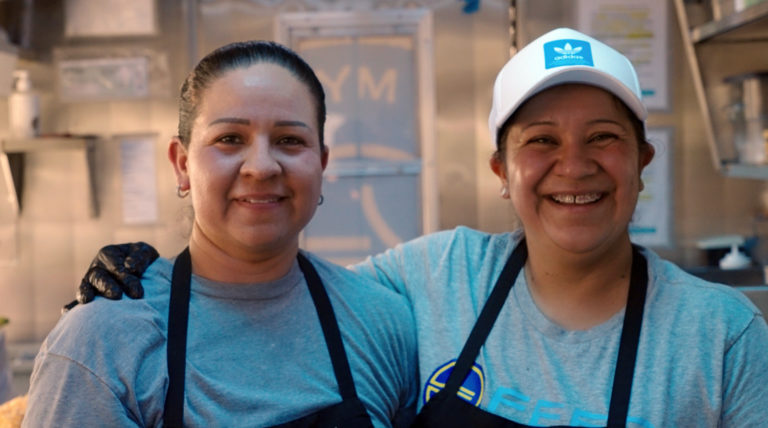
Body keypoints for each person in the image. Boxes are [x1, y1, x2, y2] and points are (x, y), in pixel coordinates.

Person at [70, 28, 768, 427]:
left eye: (605, 138)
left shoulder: (722, 335)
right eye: (542, 141)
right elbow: (268, 288)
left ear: (643, 160)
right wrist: (150, 282)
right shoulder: (434, 278)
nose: (574, 167)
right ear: (501, 167)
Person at [23, 40, 418, 428]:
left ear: (322, 163)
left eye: (290, 141)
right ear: (181, 164)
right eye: (230, 139)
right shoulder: (103, 343)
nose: (261, 167)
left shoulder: (381, 321)